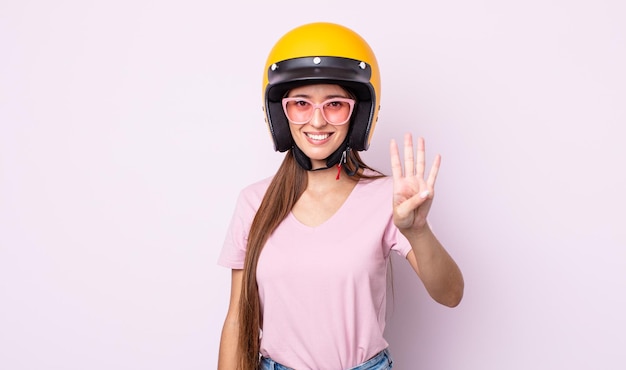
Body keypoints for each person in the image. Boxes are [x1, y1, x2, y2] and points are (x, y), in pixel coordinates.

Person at [217, 22, 464, 370]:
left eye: (335, 104)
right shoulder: (253, 202)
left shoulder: (386, 197)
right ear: (280, 113)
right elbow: (237, 321)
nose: (317, 121)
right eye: (300, 103)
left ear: (358, 115)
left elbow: (450, 295)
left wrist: (418, 231)